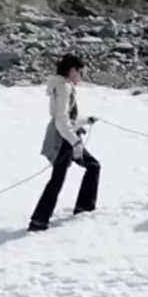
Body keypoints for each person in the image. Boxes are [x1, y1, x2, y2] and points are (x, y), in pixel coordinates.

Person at [29, 53, 101, 232]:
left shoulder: (61, 86)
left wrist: (84, 121)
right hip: (63, 140)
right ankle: (79, 209)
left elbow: (65, 118)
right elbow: (61, 119)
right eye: (80, 72)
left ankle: (40, 220)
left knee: (62, 177)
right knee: (87, 168)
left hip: (63, 137)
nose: (80, 76)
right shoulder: (64, 88)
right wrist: (75, 141)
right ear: (72, 70)